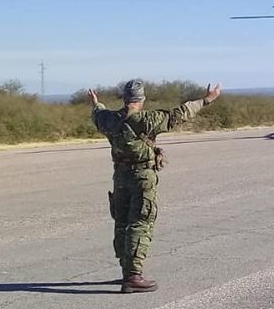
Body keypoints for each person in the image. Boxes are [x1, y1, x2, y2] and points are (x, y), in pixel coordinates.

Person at [87, 79, 222, 293]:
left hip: (120, 177)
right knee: (141, 221)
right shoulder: (148, 119)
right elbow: (180, 113)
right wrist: (207, 100)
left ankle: (126, 270)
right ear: (142, 99)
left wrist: (96, 102)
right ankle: (133, 276)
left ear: (124, 98)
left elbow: (97, 113)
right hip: (142, 176)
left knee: (121, 222)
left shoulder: (109, 119)